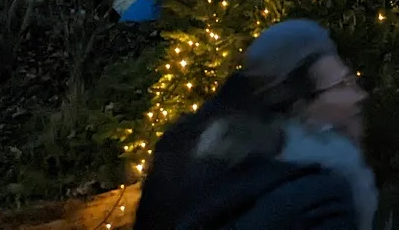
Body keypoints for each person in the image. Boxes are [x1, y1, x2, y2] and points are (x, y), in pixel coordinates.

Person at [135, 19, 375, 230]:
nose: (359, 96)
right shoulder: (320, 196)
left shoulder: (181, 149)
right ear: (300, 106)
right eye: (343, 84)